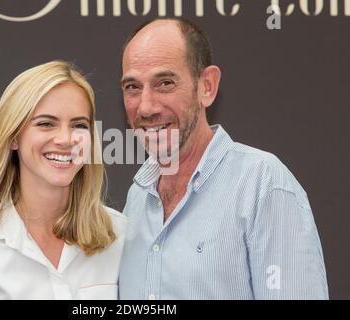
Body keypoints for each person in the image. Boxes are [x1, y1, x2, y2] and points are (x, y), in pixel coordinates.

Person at [118, 18, 328, 299]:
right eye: (132, 87)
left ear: (207, 86)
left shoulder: (263, 186)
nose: (145, 106)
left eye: (165, 83)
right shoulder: (136, 199)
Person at [0, 61, 126, 300]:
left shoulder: (120, 235)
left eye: (79, 125)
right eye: (46, 124)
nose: (66, 139)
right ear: (14, 136)